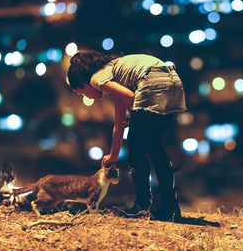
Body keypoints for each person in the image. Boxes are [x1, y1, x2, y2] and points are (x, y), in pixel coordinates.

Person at [66, 50, 186, 221]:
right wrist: (113, 156)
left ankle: (142, 206)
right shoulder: (116, 75)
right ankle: (171, 208)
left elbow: (130, 98)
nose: (86, 96)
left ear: (84, 81)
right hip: (173, 82)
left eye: (81, 91)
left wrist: (134, 115)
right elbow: (119, 124)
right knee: (154, 146)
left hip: (151, 83)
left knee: (136, 148)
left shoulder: (97, 78)